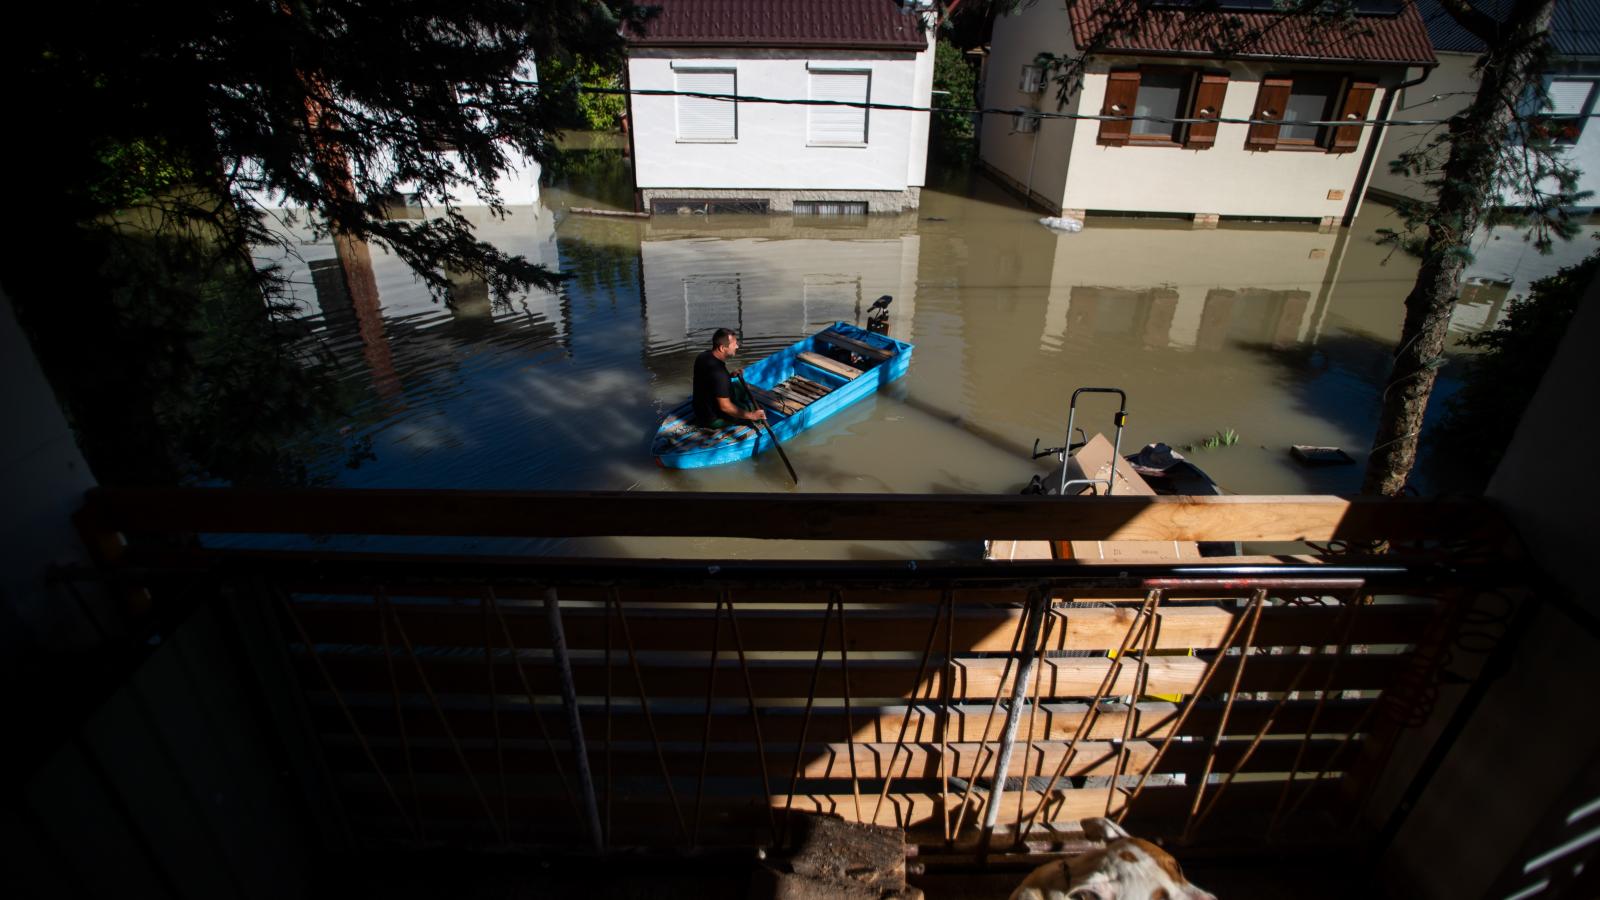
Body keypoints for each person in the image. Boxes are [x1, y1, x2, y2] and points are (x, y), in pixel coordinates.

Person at [692, 328, 767, 429]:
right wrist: (752, 415)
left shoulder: (703, 356)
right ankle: (744, 407)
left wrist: (729, 376)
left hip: (700, 408)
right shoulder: (720, 375)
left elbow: (710, 379)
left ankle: (742, 403)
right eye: (734, 344)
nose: (737, 346)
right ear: (722, 348)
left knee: (741, 386)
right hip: (713, 419)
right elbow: (725, 407)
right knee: (761, 411)